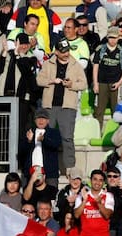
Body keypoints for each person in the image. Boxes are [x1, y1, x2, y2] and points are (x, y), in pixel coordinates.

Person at [36, 39, 87, 174]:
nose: (66, 54)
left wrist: (71, 85)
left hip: (68, 106)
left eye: (67, 51)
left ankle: (70, 169)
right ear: (57, 52)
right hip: (49, 106)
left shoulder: (76, 65)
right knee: (47, 137)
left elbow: (83, 84)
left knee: (67, 137)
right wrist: (52, 81)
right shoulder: (48, 64)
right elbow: (39, 80)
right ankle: (46, 166)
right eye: (63, 51)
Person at [20, 109, 62, 187]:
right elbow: (22, 151)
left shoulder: (54, 132)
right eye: (38, 118)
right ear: (35, 120)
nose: (41, 120)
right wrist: (29, 141)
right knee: (31, 196)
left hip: (49, 172)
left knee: (51, 195)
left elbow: (57, 145)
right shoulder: (29, 132)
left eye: (43, 118)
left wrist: (44, 140)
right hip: (33, 170)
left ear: (48, 120)